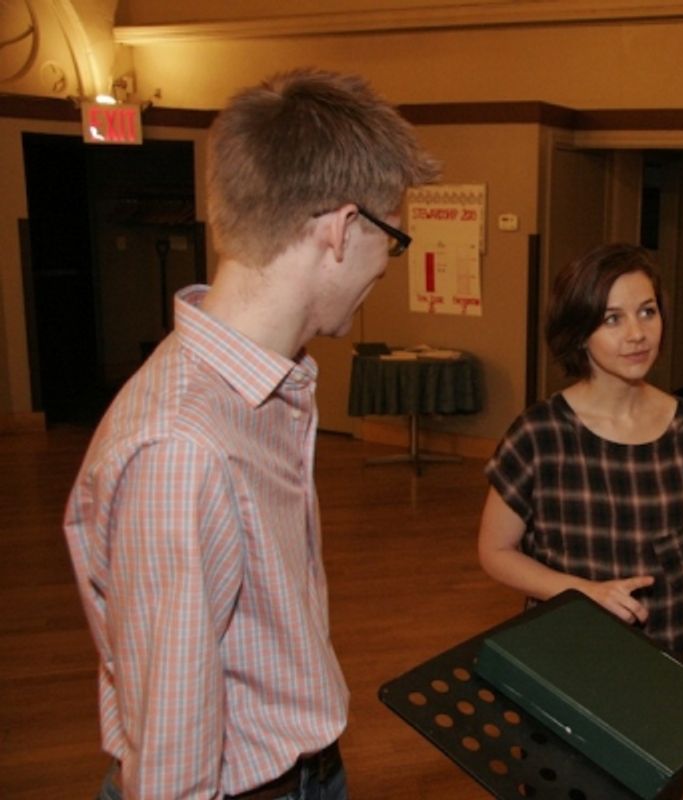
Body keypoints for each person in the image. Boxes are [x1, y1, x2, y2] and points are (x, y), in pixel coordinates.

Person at [63, 69, 439, 799]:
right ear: (339, 231)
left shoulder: (263, 389)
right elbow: (173, 766)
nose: (388, 266)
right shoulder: (183, 449)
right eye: (393, 236)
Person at [478, 243, 683, 673]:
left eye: (647, 312)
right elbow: (494, 550)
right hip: (567, 655)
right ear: (580, 332)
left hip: (668, 654)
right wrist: (582, 590)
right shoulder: (539, 434)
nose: (636, 333)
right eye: (612, 318)